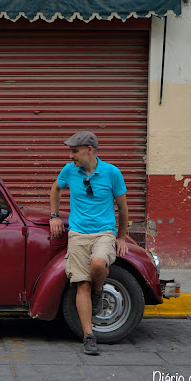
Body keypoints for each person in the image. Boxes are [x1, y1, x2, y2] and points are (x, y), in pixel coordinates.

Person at [49, 131, 129, 355]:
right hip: (77, 234)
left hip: (104, 233)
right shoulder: (69, 171)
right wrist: (54, 216)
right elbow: (55, 189)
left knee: (97, 264)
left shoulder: (112, 173)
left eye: (74, 151)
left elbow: (123, 209)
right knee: (80, 283)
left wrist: (121, 237)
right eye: (70, 151)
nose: (71, 155)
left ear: (89, 150)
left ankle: (98, 290)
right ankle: (88, 336)